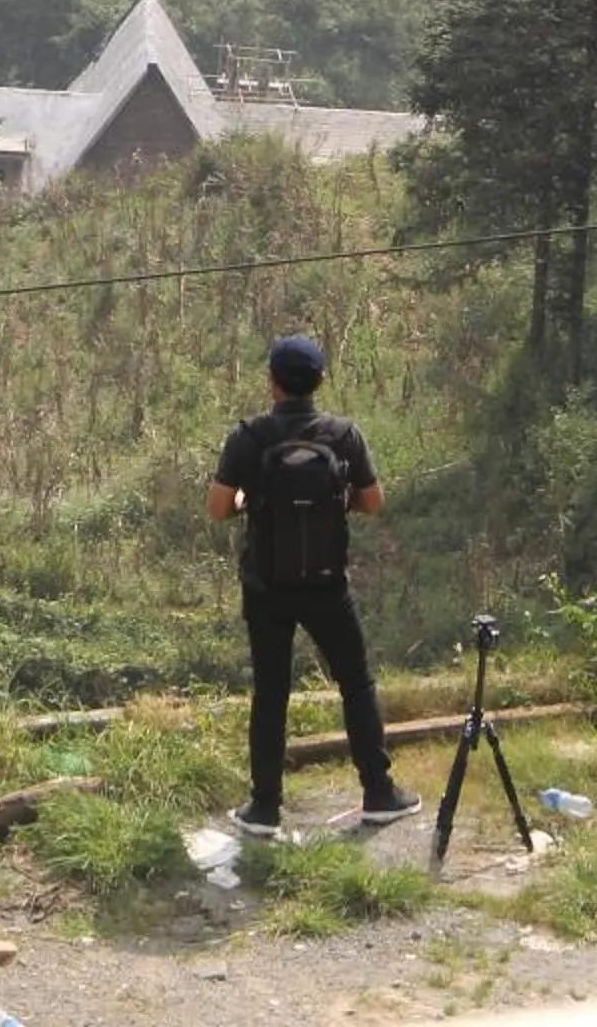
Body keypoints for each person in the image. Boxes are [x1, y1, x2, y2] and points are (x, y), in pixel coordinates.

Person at [205, 332, 418, 838]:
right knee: (356, 682)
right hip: (326, 584)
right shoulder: (343, 435)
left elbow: (218, 509)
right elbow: (372, 502)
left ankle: (264, 808)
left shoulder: (248, 437)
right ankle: (379, 793)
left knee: (271, 691)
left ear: (273, 383)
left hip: (266, 586)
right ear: (319, 381)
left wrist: (249, 504)